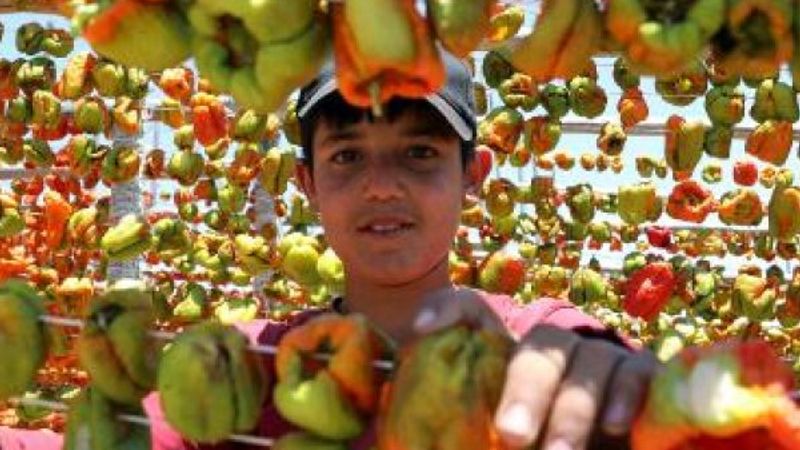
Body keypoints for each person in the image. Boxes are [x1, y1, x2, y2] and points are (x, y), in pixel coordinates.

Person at [0, 51, 658, 450]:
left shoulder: (543, 339)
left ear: (472, 176)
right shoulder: (252, 368)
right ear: (309, 184)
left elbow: (613, 379)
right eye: (347, 156)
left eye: (420, 153)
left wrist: (624, 401)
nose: (380, 186)